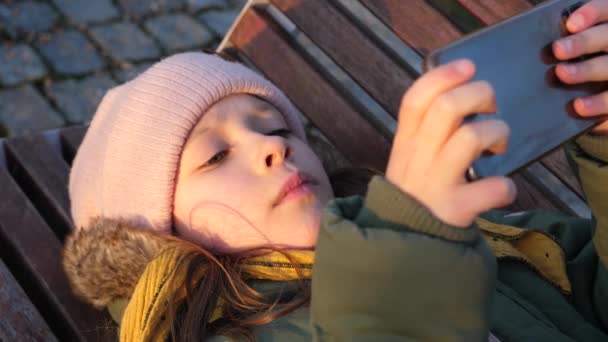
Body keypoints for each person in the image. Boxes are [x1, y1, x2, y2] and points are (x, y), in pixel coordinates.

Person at [62, 1, 608, 341]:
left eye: (276, 128)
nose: (271, 149)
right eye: (215, 156)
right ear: (156, 238)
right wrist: (407, 247)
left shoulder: (495, 237)